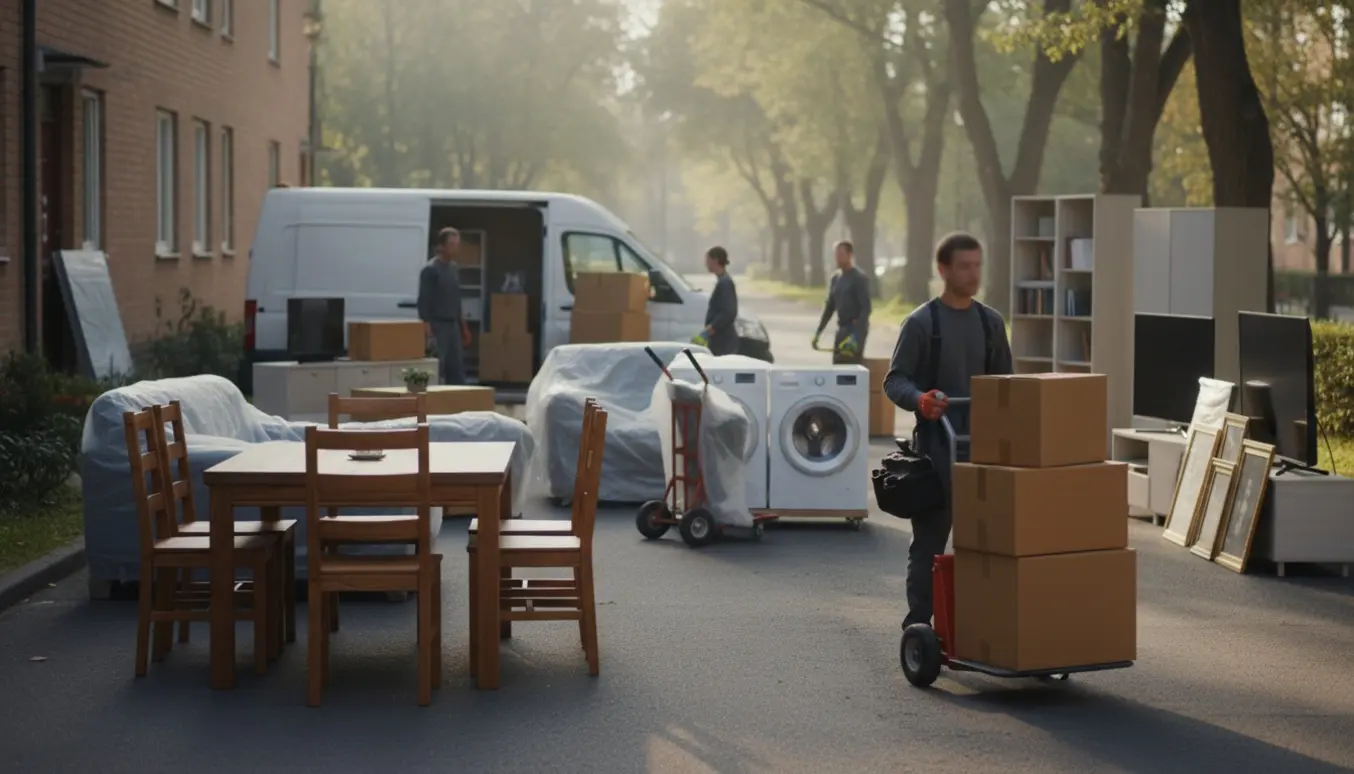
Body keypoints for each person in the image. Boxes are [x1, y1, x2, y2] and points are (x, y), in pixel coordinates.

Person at [882, 232, 1014, 629]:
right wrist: (920, 399)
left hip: (985, 452)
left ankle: (980, 628)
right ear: (943, 270)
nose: (973, 274)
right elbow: (895, 380)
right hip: (937, 451)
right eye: (964, 266)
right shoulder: (921, 323)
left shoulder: (991, 323)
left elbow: (1008, 386)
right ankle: (919, 628)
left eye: (977, 266)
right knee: (930, 544)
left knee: (987, 546)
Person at [417, 227, 472, 385]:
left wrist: (464, 327)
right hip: (437, 326)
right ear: (441, 246)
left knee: (456, 369)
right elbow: (424, 301)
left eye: (457, 244)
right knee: (436, 368)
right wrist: (427, 329)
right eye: (452, 244)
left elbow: (456, 300)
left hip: (453, 326)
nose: (456, 248)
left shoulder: (453, 268)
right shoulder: (431, 270)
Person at [812, 240, 872, 363]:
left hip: (855, 330)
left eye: (840, 254)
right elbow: (829, 307)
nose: (837, 258)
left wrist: (856, 336)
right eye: (836, 255)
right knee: (838, 366)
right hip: (842, 328)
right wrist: (819, 331)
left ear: (850, 255)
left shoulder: (859, 278)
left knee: (850, 369)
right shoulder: (835, 279)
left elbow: (866, 309)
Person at [692, 246, 739, 355]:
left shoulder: (725, 283)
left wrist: (711, 328)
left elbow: (729, 312)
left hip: (724, 342)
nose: (706, 264)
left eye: (707, 260)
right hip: (720, 341)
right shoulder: (722, 281)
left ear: (715, 260)